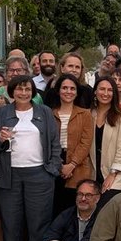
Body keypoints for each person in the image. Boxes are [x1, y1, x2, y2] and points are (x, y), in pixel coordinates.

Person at [0, 75, 62, 241]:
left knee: (38, 222)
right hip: (10, 174)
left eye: (27, 89)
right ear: (11, 91)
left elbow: (55, 143)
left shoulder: (44, 112)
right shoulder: (2, 113)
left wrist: (51, 169)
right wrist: (1, 140)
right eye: (19, 89)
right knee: (12, 221)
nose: (23, 93)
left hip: (39, 174)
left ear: (33, 91)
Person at [47, 73, 94, 215]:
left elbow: (86, 142)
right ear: (58, 90)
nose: (68, 92)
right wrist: (58, 165)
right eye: (64, 88)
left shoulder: (85, 114)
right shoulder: (49, 113)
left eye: (72, 88)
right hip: (54, 163)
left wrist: (71, 165)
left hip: (77, 165)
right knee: (54, 209)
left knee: (73, 210)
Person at [90, 75, 121, 197]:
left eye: (110, 90)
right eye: (102, 89)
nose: (106, 93)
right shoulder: (88, 114)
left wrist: (112, 174)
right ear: (95, 92)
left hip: (115, 174)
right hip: (92, 173)